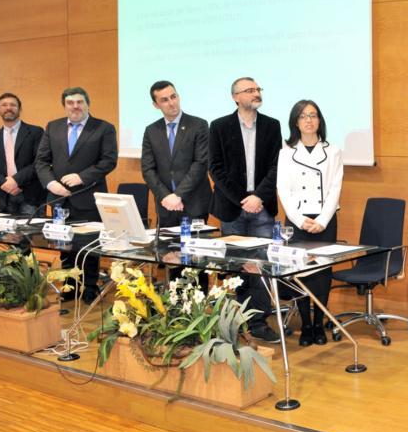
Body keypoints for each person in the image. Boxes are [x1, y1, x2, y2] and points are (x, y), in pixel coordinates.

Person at [209, 77, 282, 343]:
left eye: (258, 89)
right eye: (250, 90)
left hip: (262, 207)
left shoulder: (272, 126)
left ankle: (260, 321)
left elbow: (277, 166)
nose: (256, 93)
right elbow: (215, 168)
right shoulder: (219, 126)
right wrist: (243, 198)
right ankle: (238, 320)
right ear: (236, 97)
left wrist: (258, 197)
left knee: (261, 263)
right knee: (237, 266)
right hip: (232, 207)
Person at [35, 87, 118, 302]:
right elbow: (42, 161)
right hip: (59, 198)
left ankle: (90, 286)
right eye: (70, 103)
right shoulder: (53, 127)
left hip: (89, 197)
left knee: (89, 245)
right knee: (64, 245)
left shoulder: (103, 128)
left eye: (80, 102)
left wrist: (82, 177)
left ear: (87, 103)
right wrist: (51, 183)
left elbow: (108, 161)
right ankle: (70, 286)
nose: (75, 106)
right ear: (65, 105)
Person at [276, 100, 343, 346]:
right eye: (303, 116)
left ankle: (319, 324)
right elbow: (283, 189)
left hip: (325, 219)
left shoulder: (333, 151)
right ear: (296, 121)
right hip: (298, 219)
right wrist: (298, 219)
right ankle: (305, 324)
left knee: (323, 273)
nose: (308, 120)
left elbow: (336, 187)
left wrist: (323, 220)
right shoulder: (286, 152)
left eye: (313, 115)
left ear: (319, 120)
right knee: (299, 273)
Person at [141, 81, 212, 293]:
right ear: (156, 104)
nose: (171, 103)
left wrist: (178, 195)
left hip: (194, 203)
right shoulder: (151, 130)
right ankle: (176, 306)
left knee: (196, 260)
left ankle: (199, 309)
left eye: (174, 96)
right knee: (172, 257)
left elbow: (200, 164)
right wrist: (165, 196)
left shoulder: (198, 125)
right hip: (166, 205)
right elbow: (148, 168)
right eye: (165, 99)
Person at [0, 93, 44, 215]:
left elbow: (39, 162)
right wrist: (4, 182)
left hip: (31, 196)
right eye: (4, 105)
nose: (8, 108)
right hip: (4, 196)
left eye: (13, 105)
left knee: (31, 233)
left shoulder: (36, 132)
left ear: (20, 108)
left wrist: (15, 181)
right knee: (5, 233)